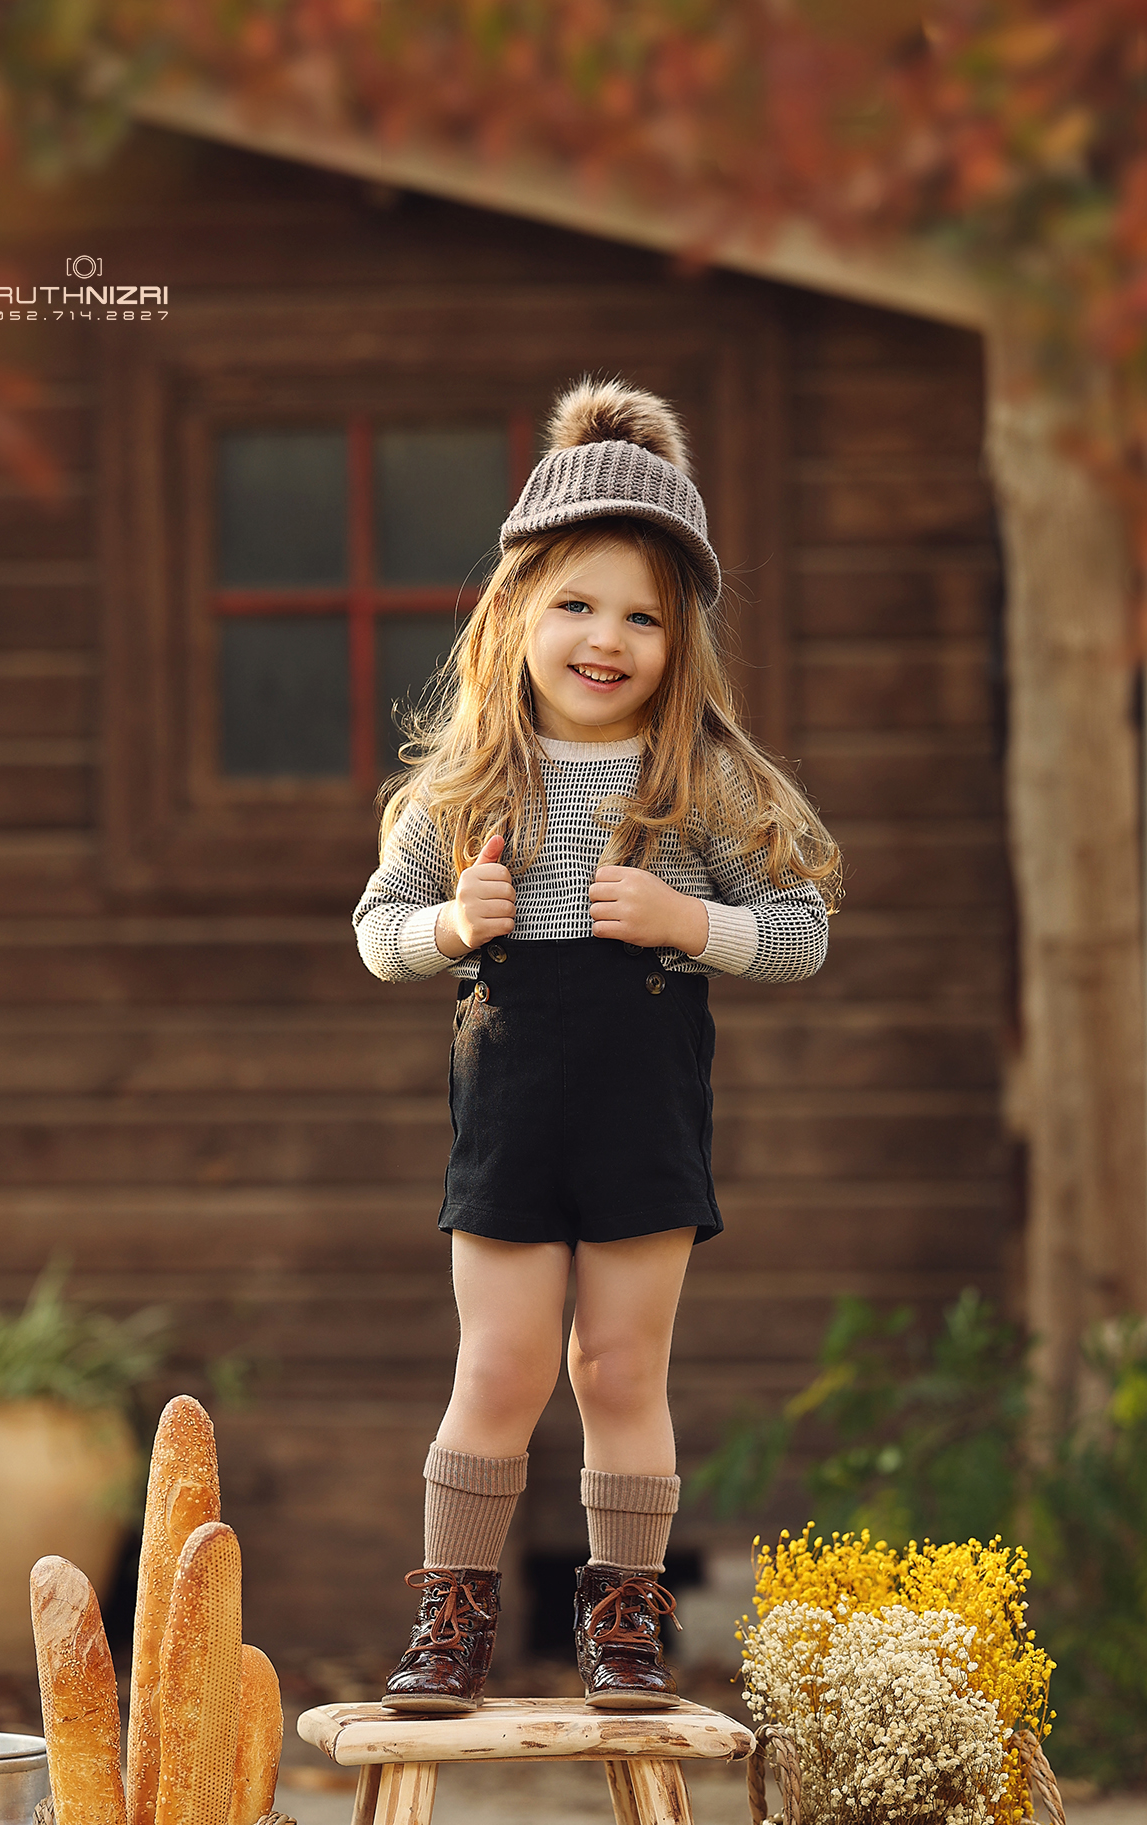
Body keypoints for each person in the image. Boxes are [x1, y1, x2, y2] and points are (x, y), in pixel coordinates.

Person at [352, 378, 841, 1714]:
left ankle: (626, 1625)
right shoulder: (466, 785)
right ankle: (451, 1624)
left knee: (619, 1367)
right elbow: (378, 931)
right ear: (515, 611)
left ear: (681, 642)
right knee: (502, 1366)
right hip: (511, 1104)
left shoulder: (704, 782)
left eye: (643, 616)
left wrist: (691, 922)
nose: (606, 638)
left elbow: (799, 930)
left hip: (641, 1104)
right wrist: (453, 924)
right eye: (576, 604)